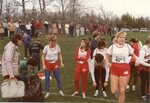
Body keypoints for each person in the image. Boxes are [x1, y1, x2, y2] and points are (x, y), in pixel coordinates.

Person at [105, 31, 150, 103]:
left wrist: (138, 60)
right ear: (117, 38)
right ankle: (118, 90)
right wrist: (107, 63)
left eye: (124, 37)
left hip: (124, 68)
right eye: (120, 37)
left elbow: (134, 56)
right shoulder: (112, 47)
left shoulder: (128, 46)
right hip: (114, 68)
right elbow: (106, 57)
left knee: (122, 91)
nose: (122, 39)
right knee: (113, 91)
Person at [42, 34, 64, 98]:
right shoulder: (46, 47)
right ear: (50, 41)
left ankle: (60, 90)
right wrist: (43, 64)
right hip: (47, 64)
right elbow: (43, 56)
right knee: (47, 79)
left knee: (58, 78)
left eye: (55, 41)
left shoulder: (57, 46)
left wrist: (61, 62)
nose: (54, 43)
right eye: (52, 41)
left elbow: (60, 54)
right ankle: (47, 92)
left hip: (55, 64)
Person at [137, 37, 150, 101]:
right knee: (144, 81)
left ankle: (148, 93)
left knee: (149, 81)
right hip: (142, 68)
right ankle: (143, 95)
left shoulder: (149, 48)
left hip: (147, 67)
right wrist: (148, 64)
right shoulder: (143, 49)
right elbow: (141, 61)